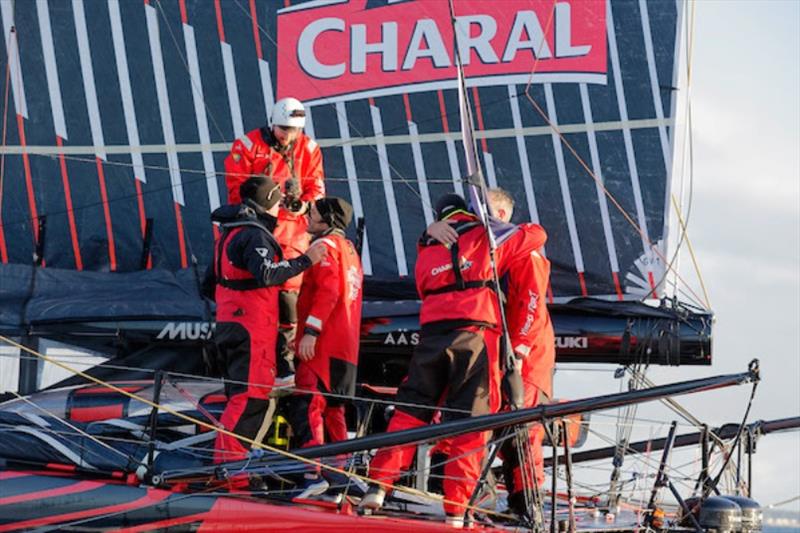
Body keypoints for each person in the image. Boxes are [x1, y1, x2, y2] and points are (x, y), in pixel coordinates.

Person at [361, 193, 525, 528]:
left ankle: (376, 489)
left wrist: (431, 231)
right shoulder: (483, 236)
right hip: (475, 337)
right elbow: (536, 234)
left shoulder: (426, 246)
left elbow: (423, 289)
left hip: (431, 337)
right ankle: (455, 512)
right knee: (471, 424)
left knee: (408, 413)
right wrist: (488, 223)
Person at [427, 187, 555, 521]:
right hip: (489, 345)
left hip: (523, 352)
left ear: (497, 216)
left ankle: (528, 505)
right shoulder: (480, 244)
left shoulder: (524, 249)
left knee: (521, 428)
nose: (469, 218)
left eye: (476, 211)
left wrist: (520, 349)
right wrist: (431, 228)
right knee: (469, 414)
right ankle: (462, 491)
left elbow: (531, 301)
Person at [205, 176, 327, 465]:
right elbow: (268, 273)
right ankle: (230, 471)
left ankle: (234, 467)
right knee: (250, 398)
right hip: (251, 328)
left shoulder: (228, 233)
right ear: (269, 204)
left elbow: (208, 284)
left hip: (228, 324)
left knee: (242, 396)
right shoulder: (253, 234)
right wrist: (305, 260)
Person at [224, 97, 325, 383]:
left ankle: (284, 365)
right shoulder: (246, 146)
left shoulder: (309, 148)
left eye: (293, 129)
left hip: (292, 234)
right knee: (255, 296)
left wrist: (302, 205)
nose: (288, 135)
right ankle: (258, 364)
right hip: (257, 228)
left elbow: (316, 187)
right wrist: (269, 199)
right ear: (272, 122)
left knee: (287, 298)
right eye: (283, 129)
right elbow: (236, 191)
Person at [285, 197, 364, 499]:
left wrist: (310, 332)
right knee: (335, 409)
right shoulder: (351, 250)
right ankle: (338, 476)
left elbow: (329, 291)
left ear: (328, 219)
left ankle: (312, 473)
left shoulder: (326, 248)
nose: (308, 216)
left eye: (314, 213)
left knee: (308, 403)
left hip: (324, 344)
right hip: (345, 346)